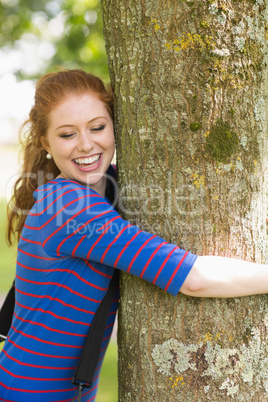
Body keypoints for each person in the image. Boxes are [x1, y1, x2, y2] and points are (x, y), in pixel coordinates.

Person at [0, 69, 267, 402]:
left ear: (116, 126)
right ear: (46, 143)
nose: (86, 144)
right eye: (67, 134)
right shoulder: (68, 205)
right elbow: (193, 278)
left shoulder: (109, 187)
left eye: (97, 127)